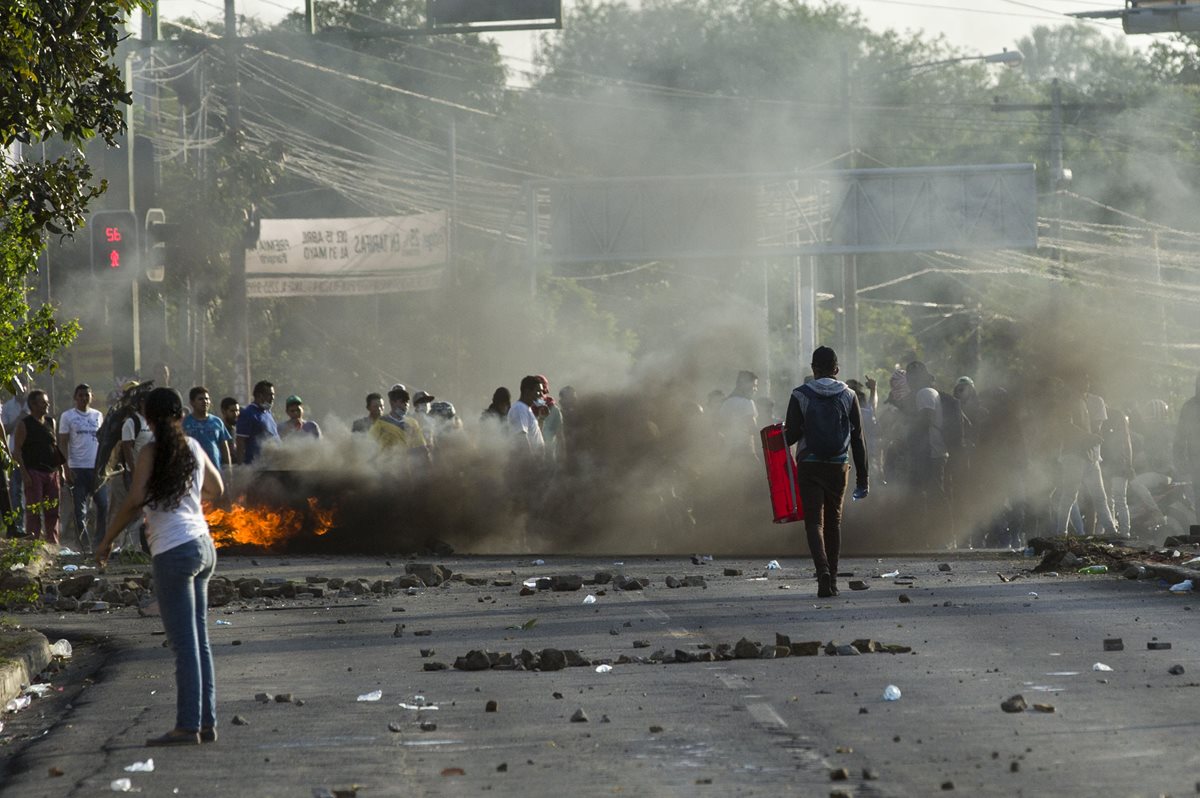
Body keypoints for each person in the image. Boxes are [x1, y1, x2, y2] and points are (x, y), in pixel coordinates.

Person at [96, 388, 223, 747]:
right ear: (180, 414)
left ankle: (187, 726)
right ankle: (206, 722)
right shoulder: (193, 449)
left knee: (184, 645)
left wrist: (106, 541)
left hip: (173, 552)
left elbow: (135, 501)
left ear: (147, 417)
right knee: (200, 642)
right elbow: (218, 488)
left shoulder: (151, 451)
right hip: (202, 546)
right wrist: (190, 499)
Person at [784, 347, 868, 598]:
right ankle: (832, 579)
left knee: (814, 522)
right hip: (838, 465)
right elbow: (858, 439)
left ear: (813, 369)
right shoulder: (849, 394)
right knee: (834, 523)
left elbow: (791, 435)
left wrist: (779, 434)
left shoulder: (800, 394)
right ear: (837, 370)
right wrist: (863, 477)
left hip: (809, 463)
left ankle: (821, 571)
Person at [58, 383, 109, 550]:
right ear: (75, 398)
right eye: (80, 395)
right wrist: (65, 468)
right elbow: (63, 443)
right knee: (80, 510)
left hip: (95, 468)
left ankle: (99, 541)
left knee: (103, 505)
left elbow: (102, 442)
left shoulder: (98, 415)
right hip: (77, 467)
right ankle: (84, 544)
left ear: (91, 397)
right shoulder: (68, 417)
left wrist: (104, 465)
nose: (84, 398)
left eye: (87, 395)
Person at [12, 390, 64, 544]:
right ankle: (33, 543)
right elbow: (17, 451)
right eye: (43, 402)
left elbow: (55, 446)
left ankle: (52, 543)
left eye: (47, 401)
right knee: (34, 510)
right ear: (33, 405)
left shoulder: (50, 422)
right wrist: (24, 474)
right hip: (34, 472)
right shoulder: (24, 424)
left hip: (52, 472)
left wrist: (61, 470)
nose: (47, 404)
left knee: (53, 511)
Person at [370, 386, 429, 465]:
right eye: (402, 401)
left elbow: (421, 447)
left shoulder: (413, 423)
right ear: (392, 402)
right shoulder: (381, 422)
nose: (405, 405)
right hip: (387, 465)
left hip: (407, 467)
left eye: (407, 402)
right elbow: (370, 445)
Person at [183, 387, 233, 468]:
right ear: (192, 402)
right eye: (200, 399)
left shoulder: (217, 422)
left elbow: (224, 448)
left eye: (207, 399)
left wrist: (229, 470)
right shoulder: (185, 423)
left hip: (215, 469)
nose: (205, 401)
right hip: (194, 470)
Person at [1175, 372, 1200, 524]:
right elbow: (1180, 436)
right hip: (1196, 460)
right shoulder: (1189, 407)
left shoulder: (1189, 406)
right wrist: (1179, 459)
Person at [235, 381, 279, 466]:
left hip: (272, 464)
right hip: (257, 466)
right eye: (269, 394)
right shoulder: (248, 413)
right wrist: (241, 468)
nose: (272, 398)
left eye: (273, 394)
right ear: (260, 395)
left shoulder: (267, 412)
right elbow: (240, 442)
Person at [719, 370, 759, 459]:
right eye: (754, 386)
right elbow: (752, 428)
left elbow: (721, 426)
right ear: (744, 385)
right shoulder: (747, 402)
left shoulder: (726, 402)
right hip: (745, 452)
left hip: (727, 452)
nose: (756, 389)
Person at [508, 375, 546, 458]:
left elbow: (533, 434)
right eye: (538, 391)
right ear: (527, 391)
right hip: (530, 465)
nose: (541, 395)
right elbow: (522, 438)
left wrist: (542, 418)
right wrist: (531, 464)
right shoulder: (519, 408)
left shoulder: (527, 408)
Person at [536, 375, 566, 463]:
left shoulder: (554, 410)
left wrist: (563, 457)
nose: (539, 395)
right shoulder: (527, 409)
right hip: (532, 457)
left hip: (548, 457)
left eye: (541, 392)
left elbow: (560, 436)